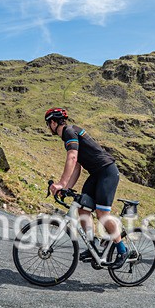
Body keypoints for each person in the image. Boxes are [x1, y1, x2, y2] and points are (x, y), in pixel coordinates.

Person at [46, 107, 127, 268]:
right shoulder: (69, 135)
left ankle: (122, 250)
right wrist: (67, 188)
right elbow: (77, 167)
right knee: (83, 208)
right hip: (96, 174)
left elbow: (72, 157)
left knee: (102, 213)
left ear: (53, 122)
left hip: (107, 172)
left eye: (48, 124)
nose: (48, 128)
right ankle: (93, 246)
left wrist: (61, 184)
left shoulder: (69, 131)